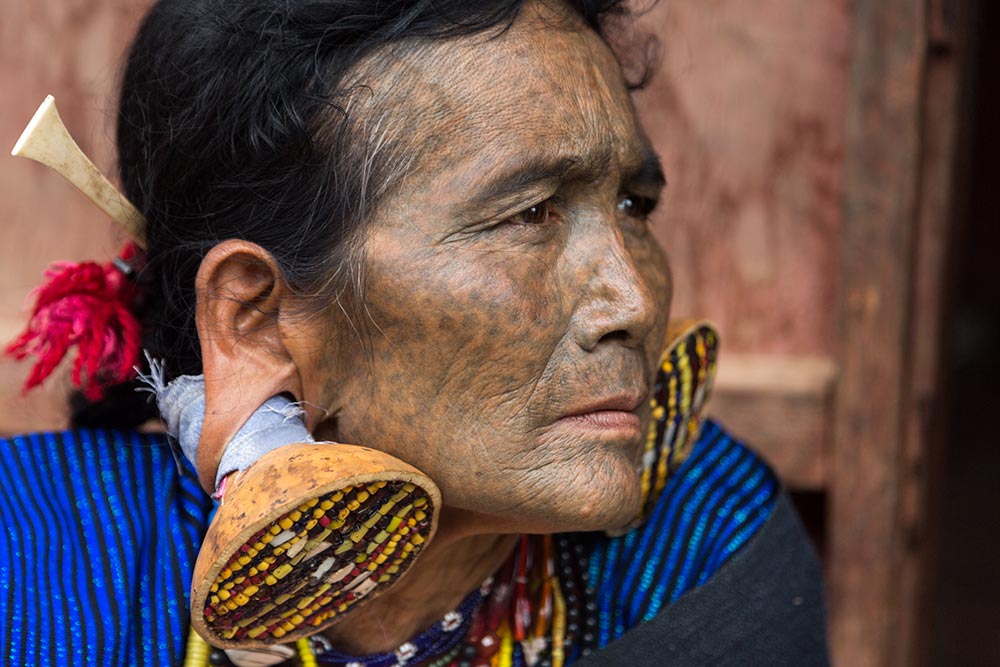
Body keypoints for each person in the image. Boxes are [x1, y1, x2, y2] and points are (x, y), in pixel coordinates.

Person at [0, 1, 829, 665]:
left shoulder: (703, 544)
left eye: (632, 204)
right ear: (258, 321)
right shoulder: (34, 564)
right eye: (530, 213)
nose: (635, 301)